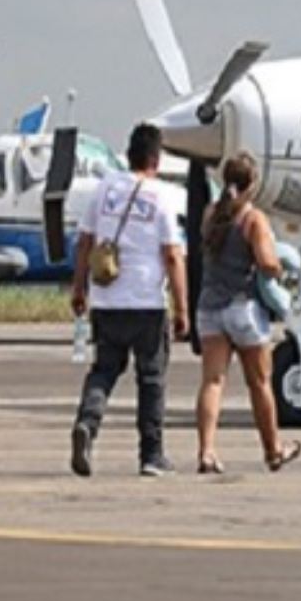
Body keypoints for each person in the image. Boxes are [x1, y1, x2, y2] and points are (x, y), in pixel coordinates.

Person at [69, 123, 189, 478]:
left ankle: (87, 424)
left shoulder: (104, 189)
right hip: (147, 301)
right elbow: (172, 256)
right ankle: (151, 454)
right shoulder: (161, 196)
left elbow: (85, 243)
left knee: (104, 370)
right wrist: (182, 307)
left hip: (107, 301)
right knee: (151, 378)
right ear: (156, 157)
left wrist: (80, 289)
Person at [193, 152, 301, 474]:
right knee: (259, 383)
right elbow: (267, 263)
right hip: (244, 308)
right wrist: (281, 268)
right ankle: (273, 450)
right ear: (252, 185)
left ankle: (207, 451)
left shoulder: (210, 215)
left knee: (212, 381)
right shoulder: (253, 219)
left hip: (210, 307)